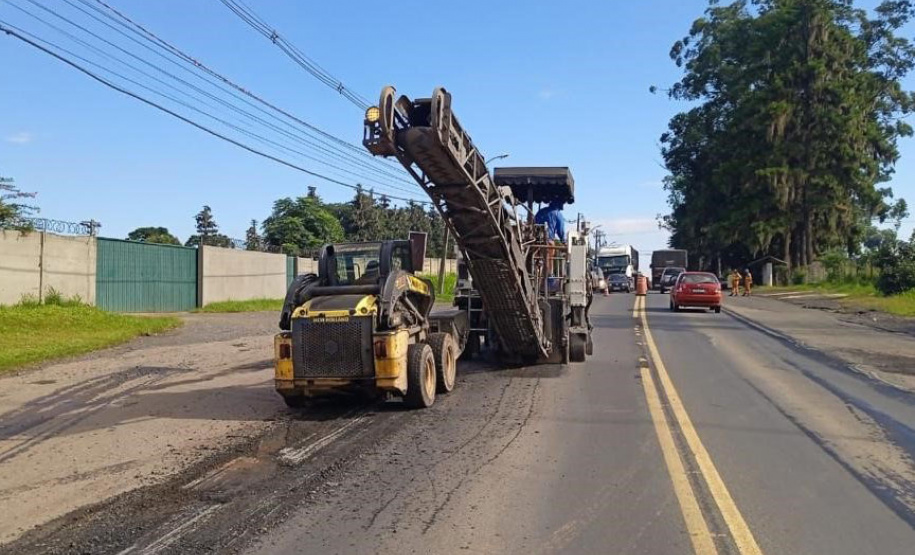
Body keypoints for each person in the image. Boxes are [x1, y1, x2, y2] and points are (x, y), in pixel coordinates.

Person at [534, 200, 566, 275]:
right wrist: (563, 241)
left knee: (536, 259)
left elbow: (534, 222)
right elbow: (560, 230)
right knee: (549, 260)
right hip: (549, 241)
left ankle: (535, 273)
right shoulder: (557, 214)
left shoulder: (541, 211)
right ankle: (549, 276)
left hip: (536, 240)